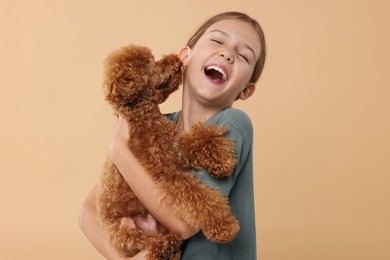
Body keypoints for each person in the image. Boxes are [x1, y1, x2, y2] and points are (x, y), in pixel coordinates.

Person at [79, 11, 266, 260]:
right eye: (217, 41)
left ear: (246, 90)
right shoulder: (157, 127)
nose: (227, 53)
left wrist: (118, 149)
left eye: (243, 55)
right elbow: (88, 211)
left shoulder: (233, 123)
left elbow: (186, 222)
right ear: (185, 57)